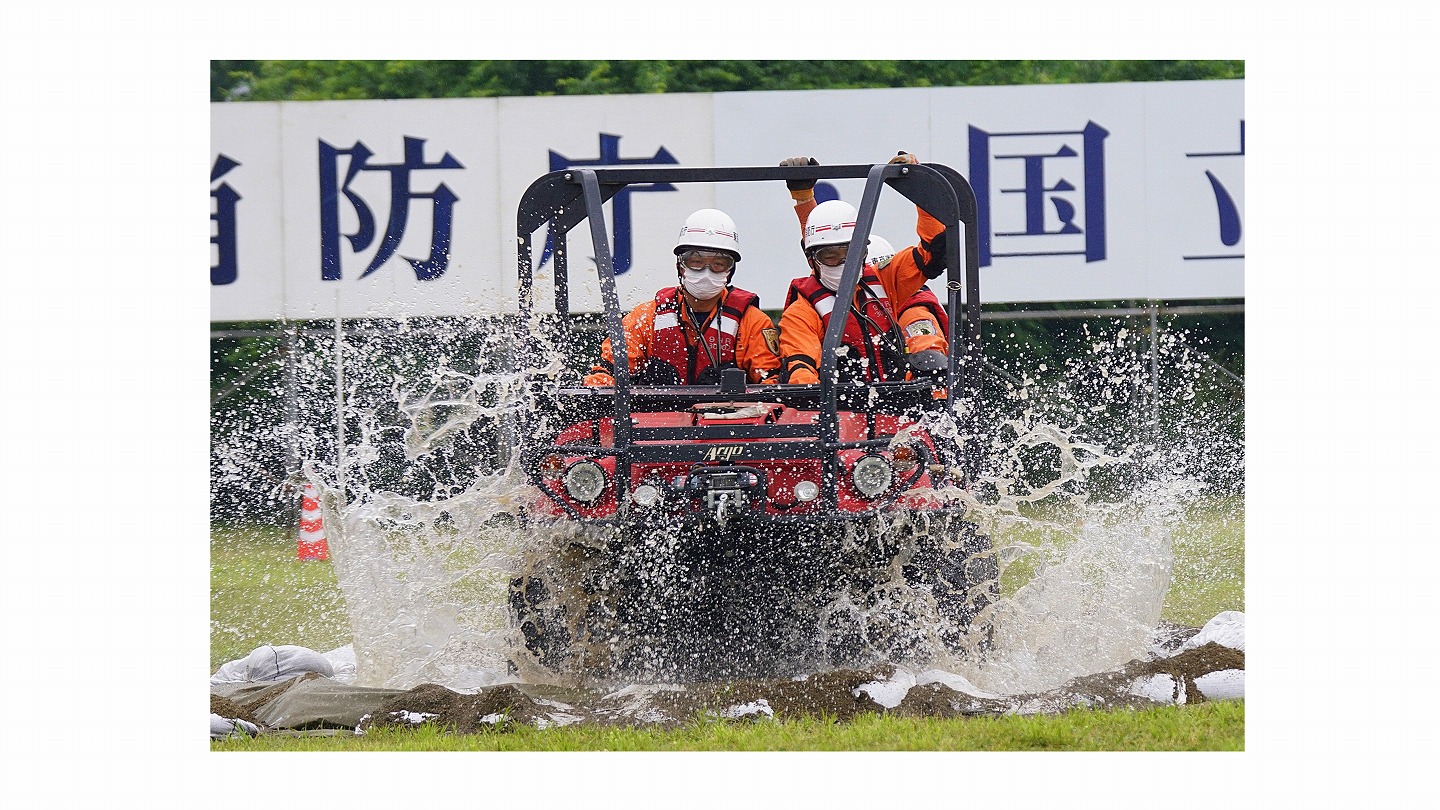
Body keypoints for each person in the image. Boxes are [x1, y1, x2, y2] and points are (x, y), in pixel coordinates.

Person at [775, 154, 950, 385]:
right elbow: (801, 372)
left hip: (901, 409)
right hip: (841, 414)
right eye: (830, 257)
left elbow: (933, 253)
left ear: (864, 252)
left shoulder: (886, 280)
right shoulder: (802, 314)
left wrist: (920, 188)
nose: (843, 264)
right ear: (812, 260)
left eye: (851, 254)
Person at [583, 208, 781, 387]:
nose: (706, 271)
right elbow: (607, 373)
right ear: (680, 265)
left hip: (727, 423)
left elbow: (771, 384)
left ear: (730, 270)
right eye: (696, 261)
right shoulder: (646, 318)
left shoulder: (752, 323)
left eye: (718, 263)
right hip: (654, 424)